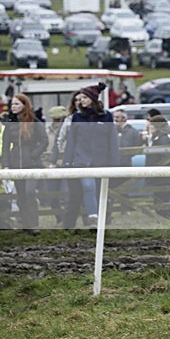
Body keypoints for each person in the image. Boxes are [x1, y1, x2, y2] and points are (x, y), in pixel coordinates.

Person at [62, 83, 120, 229]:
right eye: (80, 98)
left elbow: (112, 140)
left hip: (101, 160)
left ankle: (102, 221)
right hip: (82, 160)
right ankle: (93, 217)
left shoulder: (107, 116)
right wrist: (67, 161)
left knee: (101, 191)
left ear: (92, 99)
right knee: (88, 186)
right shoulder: (77, 117)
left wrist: (115, 162)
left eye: (84, 97)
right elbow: (72, 140)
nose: (81, 100)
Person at [2, 93, 48, 235]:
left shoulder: (34, 122)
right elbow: (5, 145)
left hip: (32, 164)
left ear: (24, 105)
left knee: (30, 192)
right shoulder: (10, 124)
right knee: (21, 195)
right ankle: (26, 224)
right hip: (16, 164)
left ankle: (34, 224)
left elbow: (44, 141)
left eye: (16, 104)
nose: (13, 107)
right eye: (12, 104)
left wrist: (33, 155)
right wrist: (6, 164)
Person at [145, 115, 170, 219]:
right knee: (160, 204)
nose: (149, 127)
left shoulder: (164, 138)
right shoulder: (157, 137)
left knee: (162, 204)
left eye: (151, 125)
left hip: (165, 177)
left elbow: (168, 158)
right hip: (160, 176)